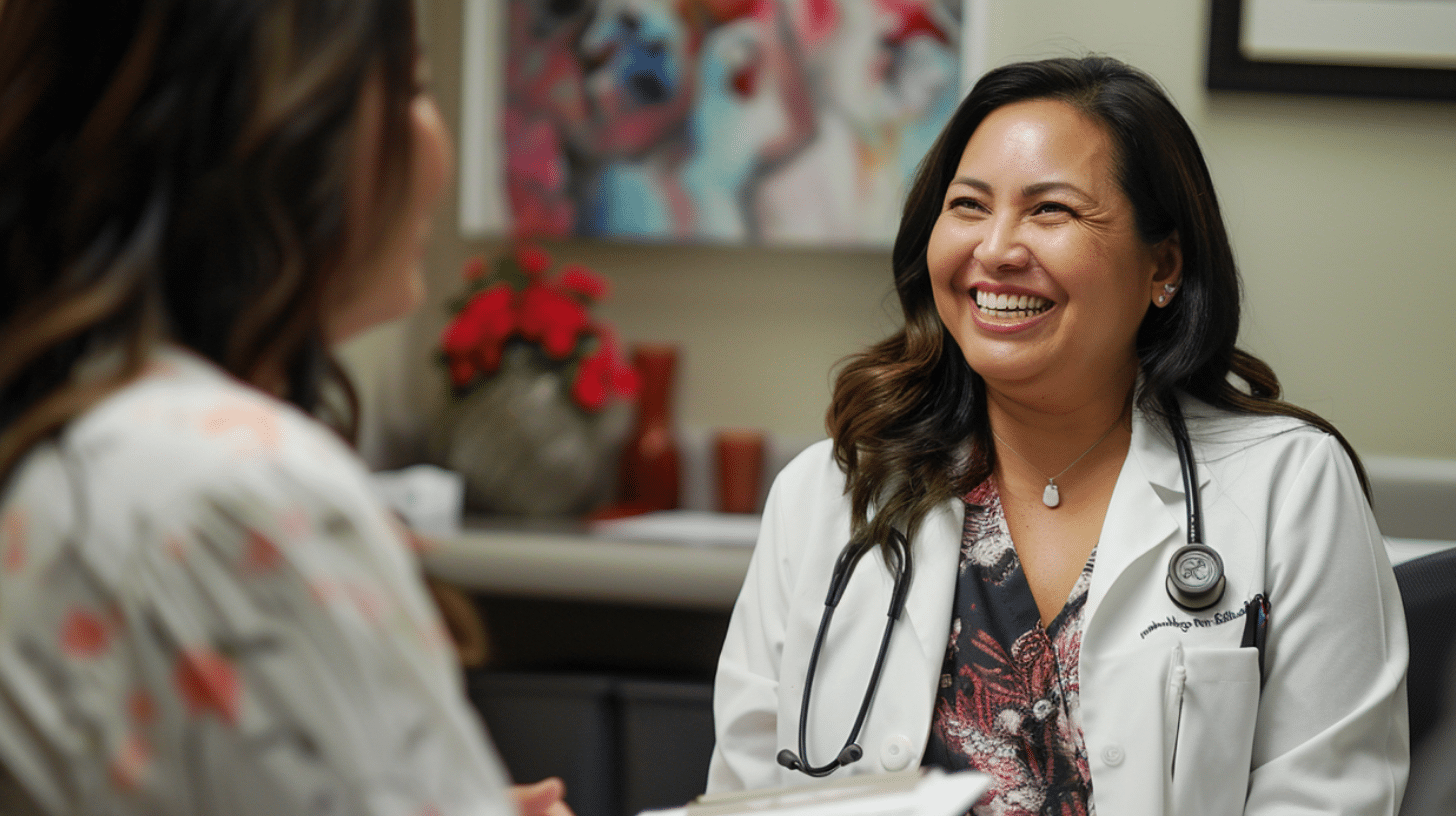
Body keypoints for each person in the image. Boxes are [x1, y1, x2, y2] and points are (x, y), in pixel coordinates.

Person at [707, 56, 1408, 815]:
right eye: (969, 205)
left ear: (1163, 266)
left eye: (1051, 211)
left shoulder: (1290, 488)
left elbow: (1329, 799)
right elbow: (746, 793)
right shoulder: (829, 494)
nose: (997, 250)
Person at [0, 1, 568, 814]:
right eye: (411, 88)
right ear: (285, 122)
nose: (434, 141)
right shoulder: (239, 489)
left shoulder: (78, 438)